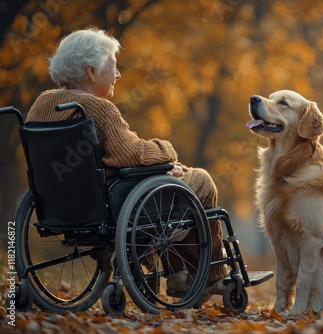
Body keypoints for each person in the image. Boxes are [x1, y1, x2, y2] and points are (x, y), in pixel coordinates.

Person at [26, 27, 227, 302]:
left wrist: (163, 171)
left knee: (169, 185)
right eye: (114, 67)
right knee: (200, 180)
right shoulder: (98, 109)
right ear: (92, 72)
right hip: (114, 206)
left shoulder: (41, 104)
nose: (118, 75)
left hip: (63, 207)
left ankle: (179, 273)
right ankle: (212, 277)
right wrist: (166, 150)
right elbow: (131, 154)